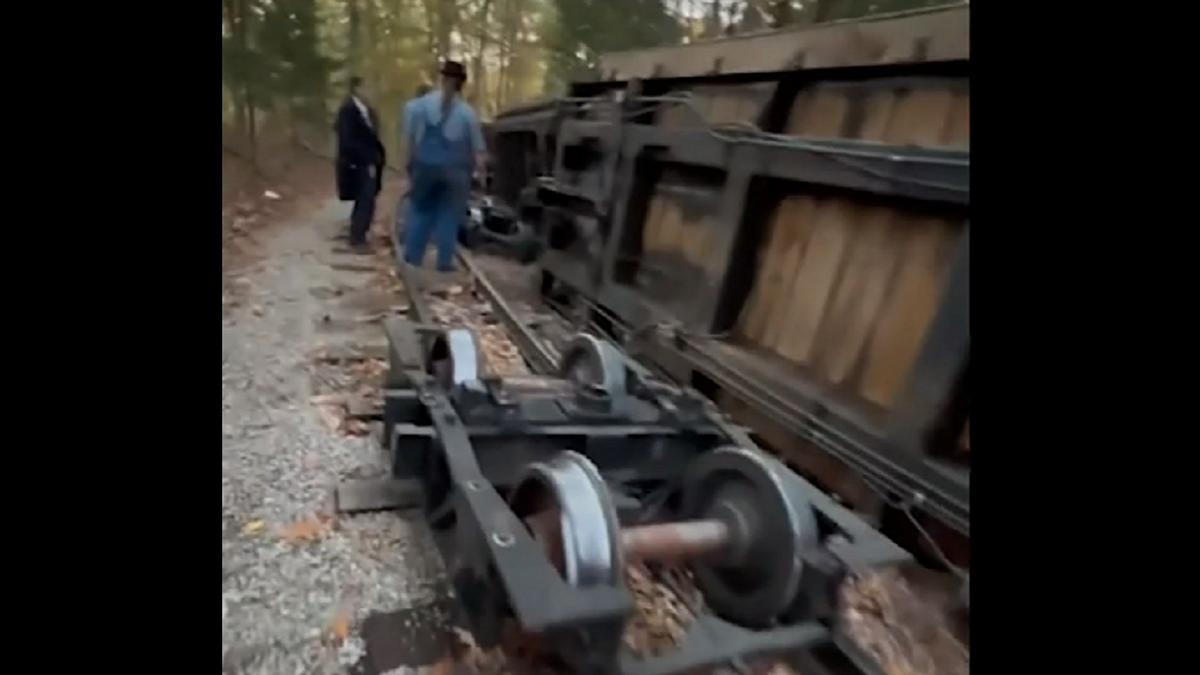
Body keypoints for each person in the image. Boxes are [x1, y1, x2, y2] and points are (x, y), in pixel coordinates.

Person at [402, 61, 486, 273]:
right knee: (450, 214)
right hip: (456, 171)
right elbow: (477, 149)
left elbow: (411, 140)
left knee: (421, 211)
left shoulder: (419, 107)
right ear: (461, 84)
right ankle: (444, 262)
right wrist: (480, 173)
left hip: (425, 166)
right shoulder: (467, 113)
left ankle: (412, 258)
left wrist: (409, 164)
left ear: (442, 79)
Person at [334, 76, 386, 253]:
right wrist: (366, 158)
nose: (370, 91)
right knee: (364, 197)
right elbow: (347, 140)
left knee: (367, 198)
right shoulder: (348, 111)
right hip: (357, 162)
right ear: (356, 89)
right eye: (366, 87)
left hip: (368, 161)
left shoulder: (367, 111)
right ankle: (357, 238)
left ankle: (360, 233)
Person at [394, 83, 433, 244]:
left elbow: (406, 134)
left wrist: (406, 158)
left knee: (412, 193)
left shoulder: (409, 108)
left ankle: (406, 231)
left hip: (415, 156)